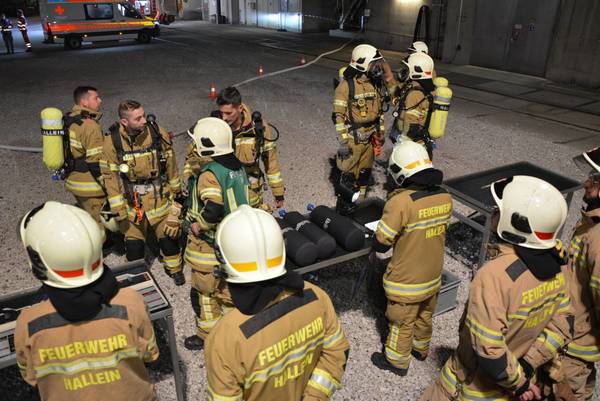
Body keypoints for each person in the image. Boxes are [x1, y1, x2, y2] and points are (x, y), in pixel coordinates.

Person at [420, 175, 572, 401]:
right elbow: (563, 325)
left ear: (517, 223)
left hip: (468, 388)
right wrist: (527, 365)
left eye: (499, 210)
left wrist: (518, 382)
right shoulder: (558, 268)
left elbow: (489, 351)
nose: (493, 212)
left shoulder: (494, 276)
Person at [15, 201, 159, 401]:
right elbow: (150, 354)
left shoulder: (29, 323)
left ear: (38, 261)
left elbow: (30, 377)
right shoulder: (131, 303)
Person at [205, 205, 349, 401]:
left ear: (223, 259)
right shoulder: (316, 296)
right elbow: (336, 351)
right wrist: (314, 396)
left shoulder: (225, 338)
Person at [370, 141, 452, 376]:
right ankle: (420, 349)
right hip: (432, 275)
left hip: (406, 281)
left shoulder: (401, 202)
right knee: (425, 315)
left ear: (400, 172)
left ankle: (396, 362)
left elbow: (382, 242)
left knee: (401, 322)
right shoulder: (444, 196)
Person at [182, 117, 250, 350]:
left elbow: (213, 208)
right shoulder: (237, 168)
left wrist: (197, 226)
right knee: (229, 293)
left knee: (205, 294)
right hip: (234, 241)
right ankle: (236, 337)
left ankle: (208, 338)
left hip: (209, 245)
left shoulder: (209, 173)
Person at [100, 100, 184, 285]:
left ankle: (175, 269)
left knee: (169, 240)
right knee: (134, 247)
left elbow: (171, 164)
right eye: (138, 118)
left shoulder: (156, 132)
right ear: (124, 122)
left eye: (144, 115)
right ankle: (135, 276)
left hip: (159, 199)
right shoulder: (112, 141)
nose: (144, 120)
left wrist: (177, 194)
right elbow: (109, 177)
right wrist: (118, 208)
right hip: (132, 203)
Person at [184, 87, 285, 211]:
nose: (224, 118)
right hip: (221, 195)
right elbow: (193, 158)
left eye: (228, 113)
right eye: (221, 113)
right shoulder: (213, 127)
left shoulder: (257, 128)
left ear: (240, 108)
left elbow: (271, 161)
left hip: (250, 196)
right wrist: (189, 187)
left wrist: (278, 192)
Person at [560, 146, 600, 400]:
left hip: (575, 347)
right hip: (572, 337)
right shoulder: (591, 221)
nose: (586, 184)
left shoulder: (598, 237)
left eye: (594, 179)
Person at [333, 44, 389, 209]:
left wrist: (381, 133)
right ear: (363, 64)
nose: (377, 68)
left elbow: (380, 113)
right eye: (373, 64)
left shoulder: (375, 84)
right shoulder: (346, 87)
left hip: (370, 139)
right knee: (349, 176)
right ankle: (345, 206)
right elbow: (338, 116)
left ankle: (360, 203)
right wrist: (343, 142)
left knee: (364, 173)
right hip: (354, 140)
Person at [64, 86, 108, 231]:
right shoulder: (90, 126)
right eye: (96, 98)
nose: (100, 100)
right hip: (90, 186)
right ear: (84, 102)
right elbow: (95, 162)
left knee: (87, 217)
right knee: (99, 226)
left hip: (74, 180)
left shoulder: (69, 119)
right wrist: (108, 184)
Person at [388, 52, 436, 155]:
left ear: (416, 71)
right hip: (417, 141)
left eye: (407, 69)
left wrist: (403, 144)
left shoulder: (415, 94)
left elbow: (410, 122)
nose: (404, 72)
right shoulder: (419, 88)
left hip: (412, 144)